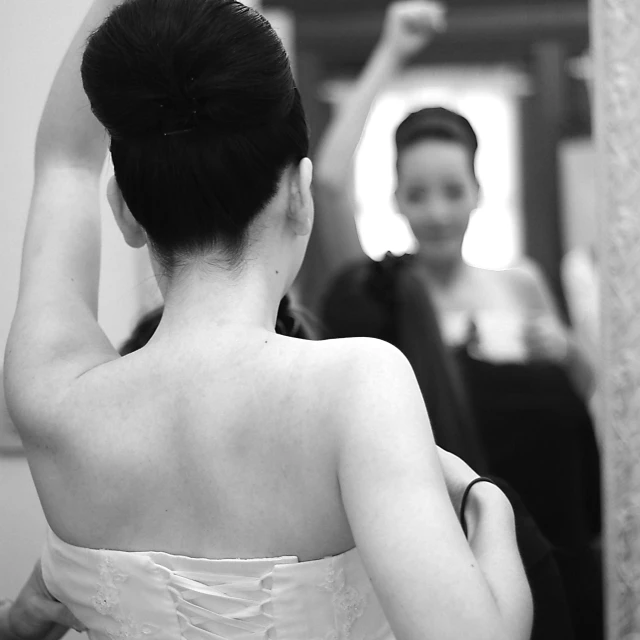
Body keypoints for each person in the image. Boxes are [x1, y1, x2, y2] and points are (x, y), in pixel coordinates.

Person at [0, 1, 532, 638]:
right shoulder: (358, 385)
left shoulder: (49, 392)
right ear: (300, 195)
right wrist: (487, 502)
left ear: (125, 211)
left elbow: (64, 159)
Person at [310, 2, 602, 638]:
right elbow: (328, 183)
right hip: (453, 558)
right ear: (395, 200)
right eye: (418, 194)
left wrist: (567, 350)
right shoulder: (384, 295)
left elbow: (588, 393)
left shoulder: (521, 282)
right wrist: (392, 49)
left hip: (558, 537)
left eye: (452, 190)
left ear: (477, 191)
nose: (437, 211)